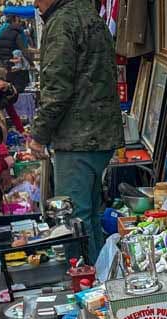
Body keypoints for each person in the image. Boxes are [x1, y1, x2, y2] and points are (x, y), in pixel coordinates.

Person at [29, 0, 124, 263]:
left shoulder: (63, 22)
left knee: (73, 219)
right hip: (97, 132)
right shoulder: (88, 14)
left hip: (78, 136)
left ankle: (87, 282)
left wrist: (38, 134)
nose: (35, 3)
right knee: (89, 214)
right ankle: (98, 276)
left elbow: (57, 89)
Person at [0, 14, 31, 93]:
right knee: (18, 90)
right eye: (18, 21)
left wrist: (2, 63)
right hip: (15, 67)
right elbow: (24, 51)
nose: (20, 23)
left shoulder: (3, 32)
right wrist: (31, 62)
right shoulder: (17, 34)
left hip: (6, 66)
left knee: (9, 89)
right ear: (14, 21)